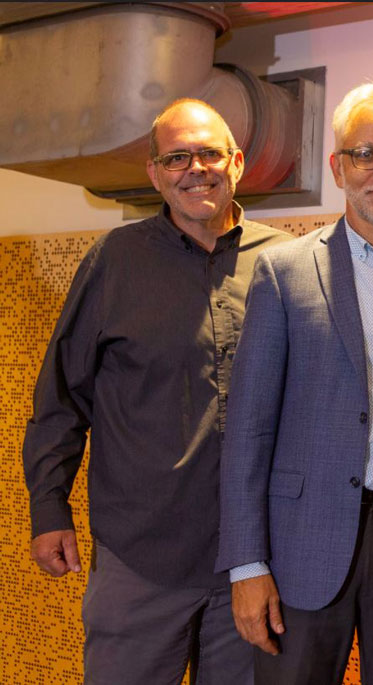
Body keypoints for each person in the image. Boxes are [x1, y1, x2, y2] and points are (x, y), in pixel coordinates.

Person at [21, 99, 293, 683]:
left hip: (253, 562)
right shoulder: (113, 262)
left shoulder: (286, 264)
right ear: (154, 174)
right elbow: (60, 399)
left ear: (238, 162)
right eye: (176, 158)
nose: (195, 168)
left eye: (209, 153)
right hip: (138, 556)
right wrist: (49, 508)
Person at [215, 79, 373, 685]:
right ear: (338, 165)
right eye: (365, 153)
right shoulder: (283, 271)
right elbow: (248, 430)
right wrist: (246, 566)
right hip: (298, 546)